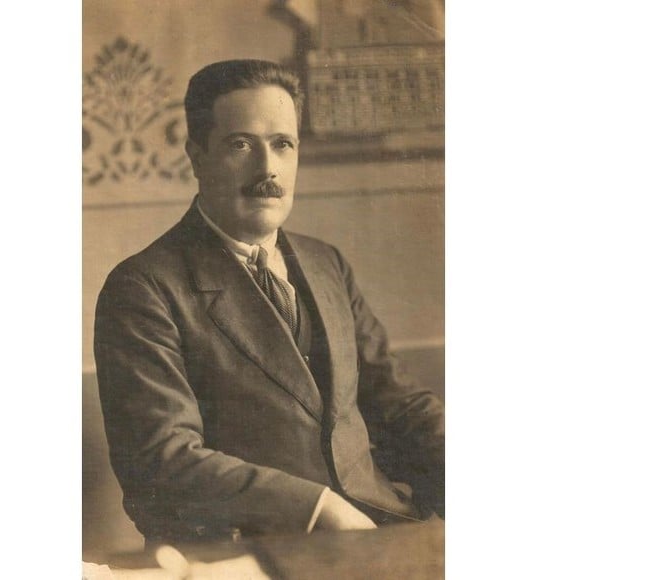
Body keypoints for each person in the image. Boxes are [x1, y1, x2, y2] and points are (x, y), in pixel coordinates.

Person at [94, 59, 444, 543]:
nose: (268, 170)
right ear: (197, 156)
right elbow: (163, 461)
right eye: (241, 145)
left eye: (283, 144)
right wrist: (318, 508)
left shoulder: (326, 264)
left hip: (380, 526)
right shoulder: (143, 288)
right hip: (253, 546)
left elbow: (397, 404)